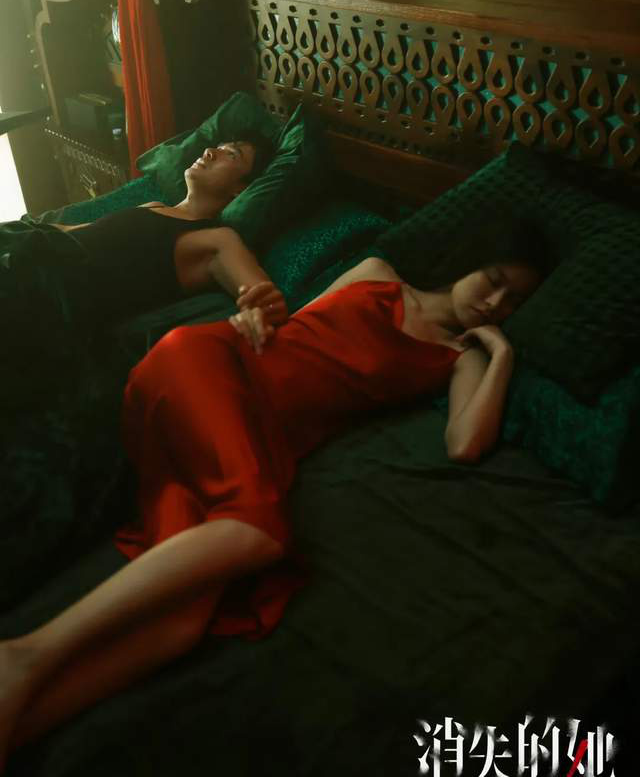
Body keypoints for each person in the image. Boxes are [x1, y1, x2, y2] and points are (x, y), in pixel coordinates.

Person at [0, 236, 543, 770]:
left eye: (513, 301)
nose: (494, 302)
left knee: (184, 624)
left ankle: (17, 725)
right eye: (493, 280)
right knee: (259, 532)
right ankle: (25, 654)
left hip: (255, 440)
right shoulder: (378, 274)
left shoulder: (459, 359)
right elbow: (291, 326)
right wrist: (253, 318)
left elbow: (465, 444)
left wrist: (502, 354)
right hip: (214, 366)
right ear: (468, 262)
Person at [47, 133, 283, 322]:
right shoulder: (154, 206)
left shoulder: (217, 237)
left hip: (54, 290)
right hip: (39, 250)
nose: (210, 151)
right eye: (218, 146)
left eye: (231, 154)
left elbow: (264, 301)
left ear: (241, 189)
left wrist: (259, 312)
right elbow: (78, 232)